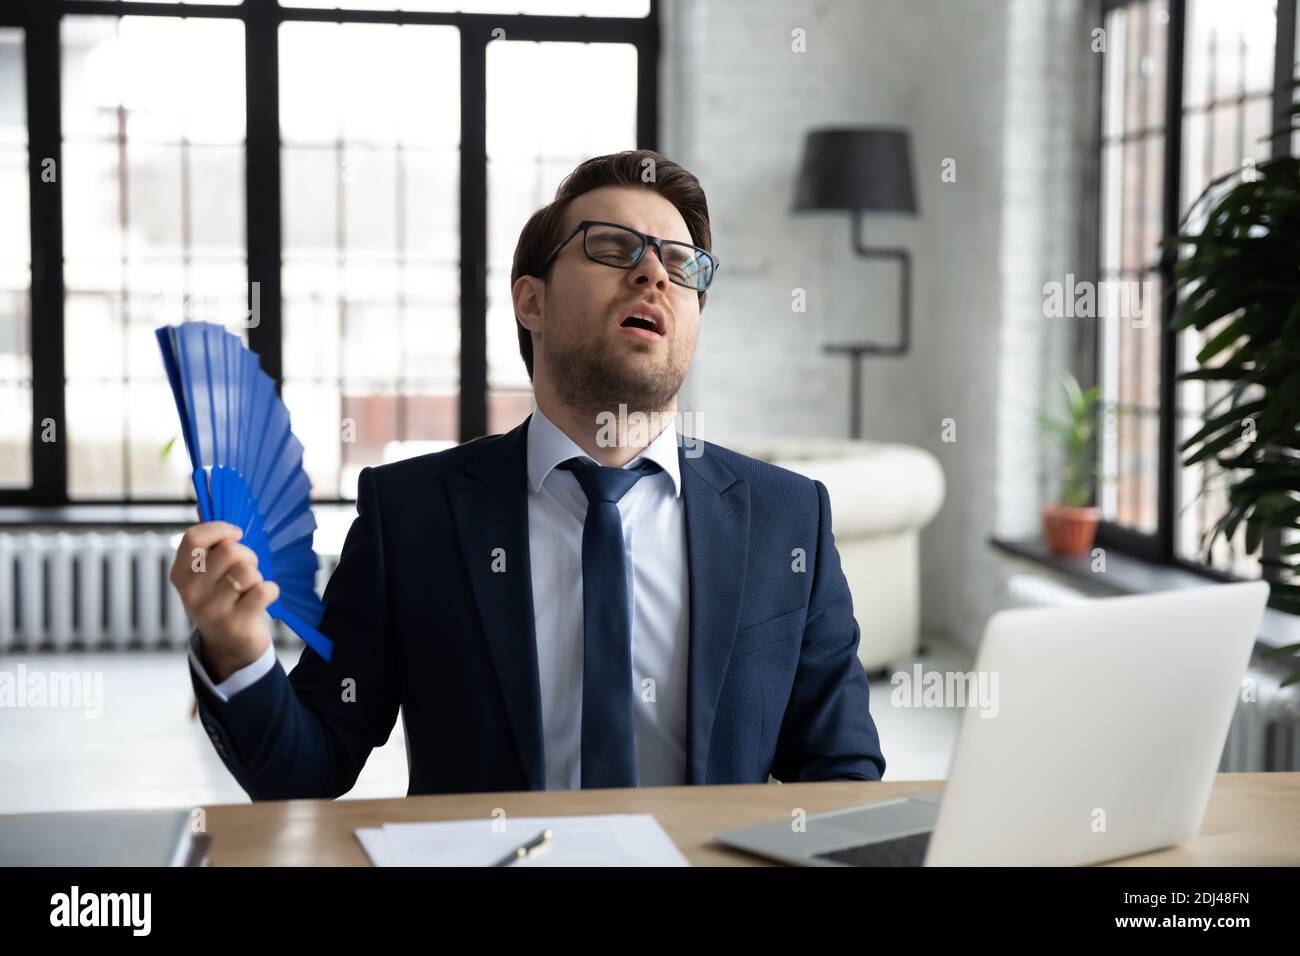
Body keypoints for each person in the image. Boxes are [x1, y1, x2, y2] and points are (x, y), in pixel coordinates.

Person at [171, 149, 885, 799]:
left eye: (681, 262)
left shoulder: (789, 519)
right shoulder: (413, 515)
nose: (653, 273)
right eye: (612, 247)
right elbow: (310, 770)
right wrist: (238, 653)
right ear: (530, 301)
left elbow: (839, 774)